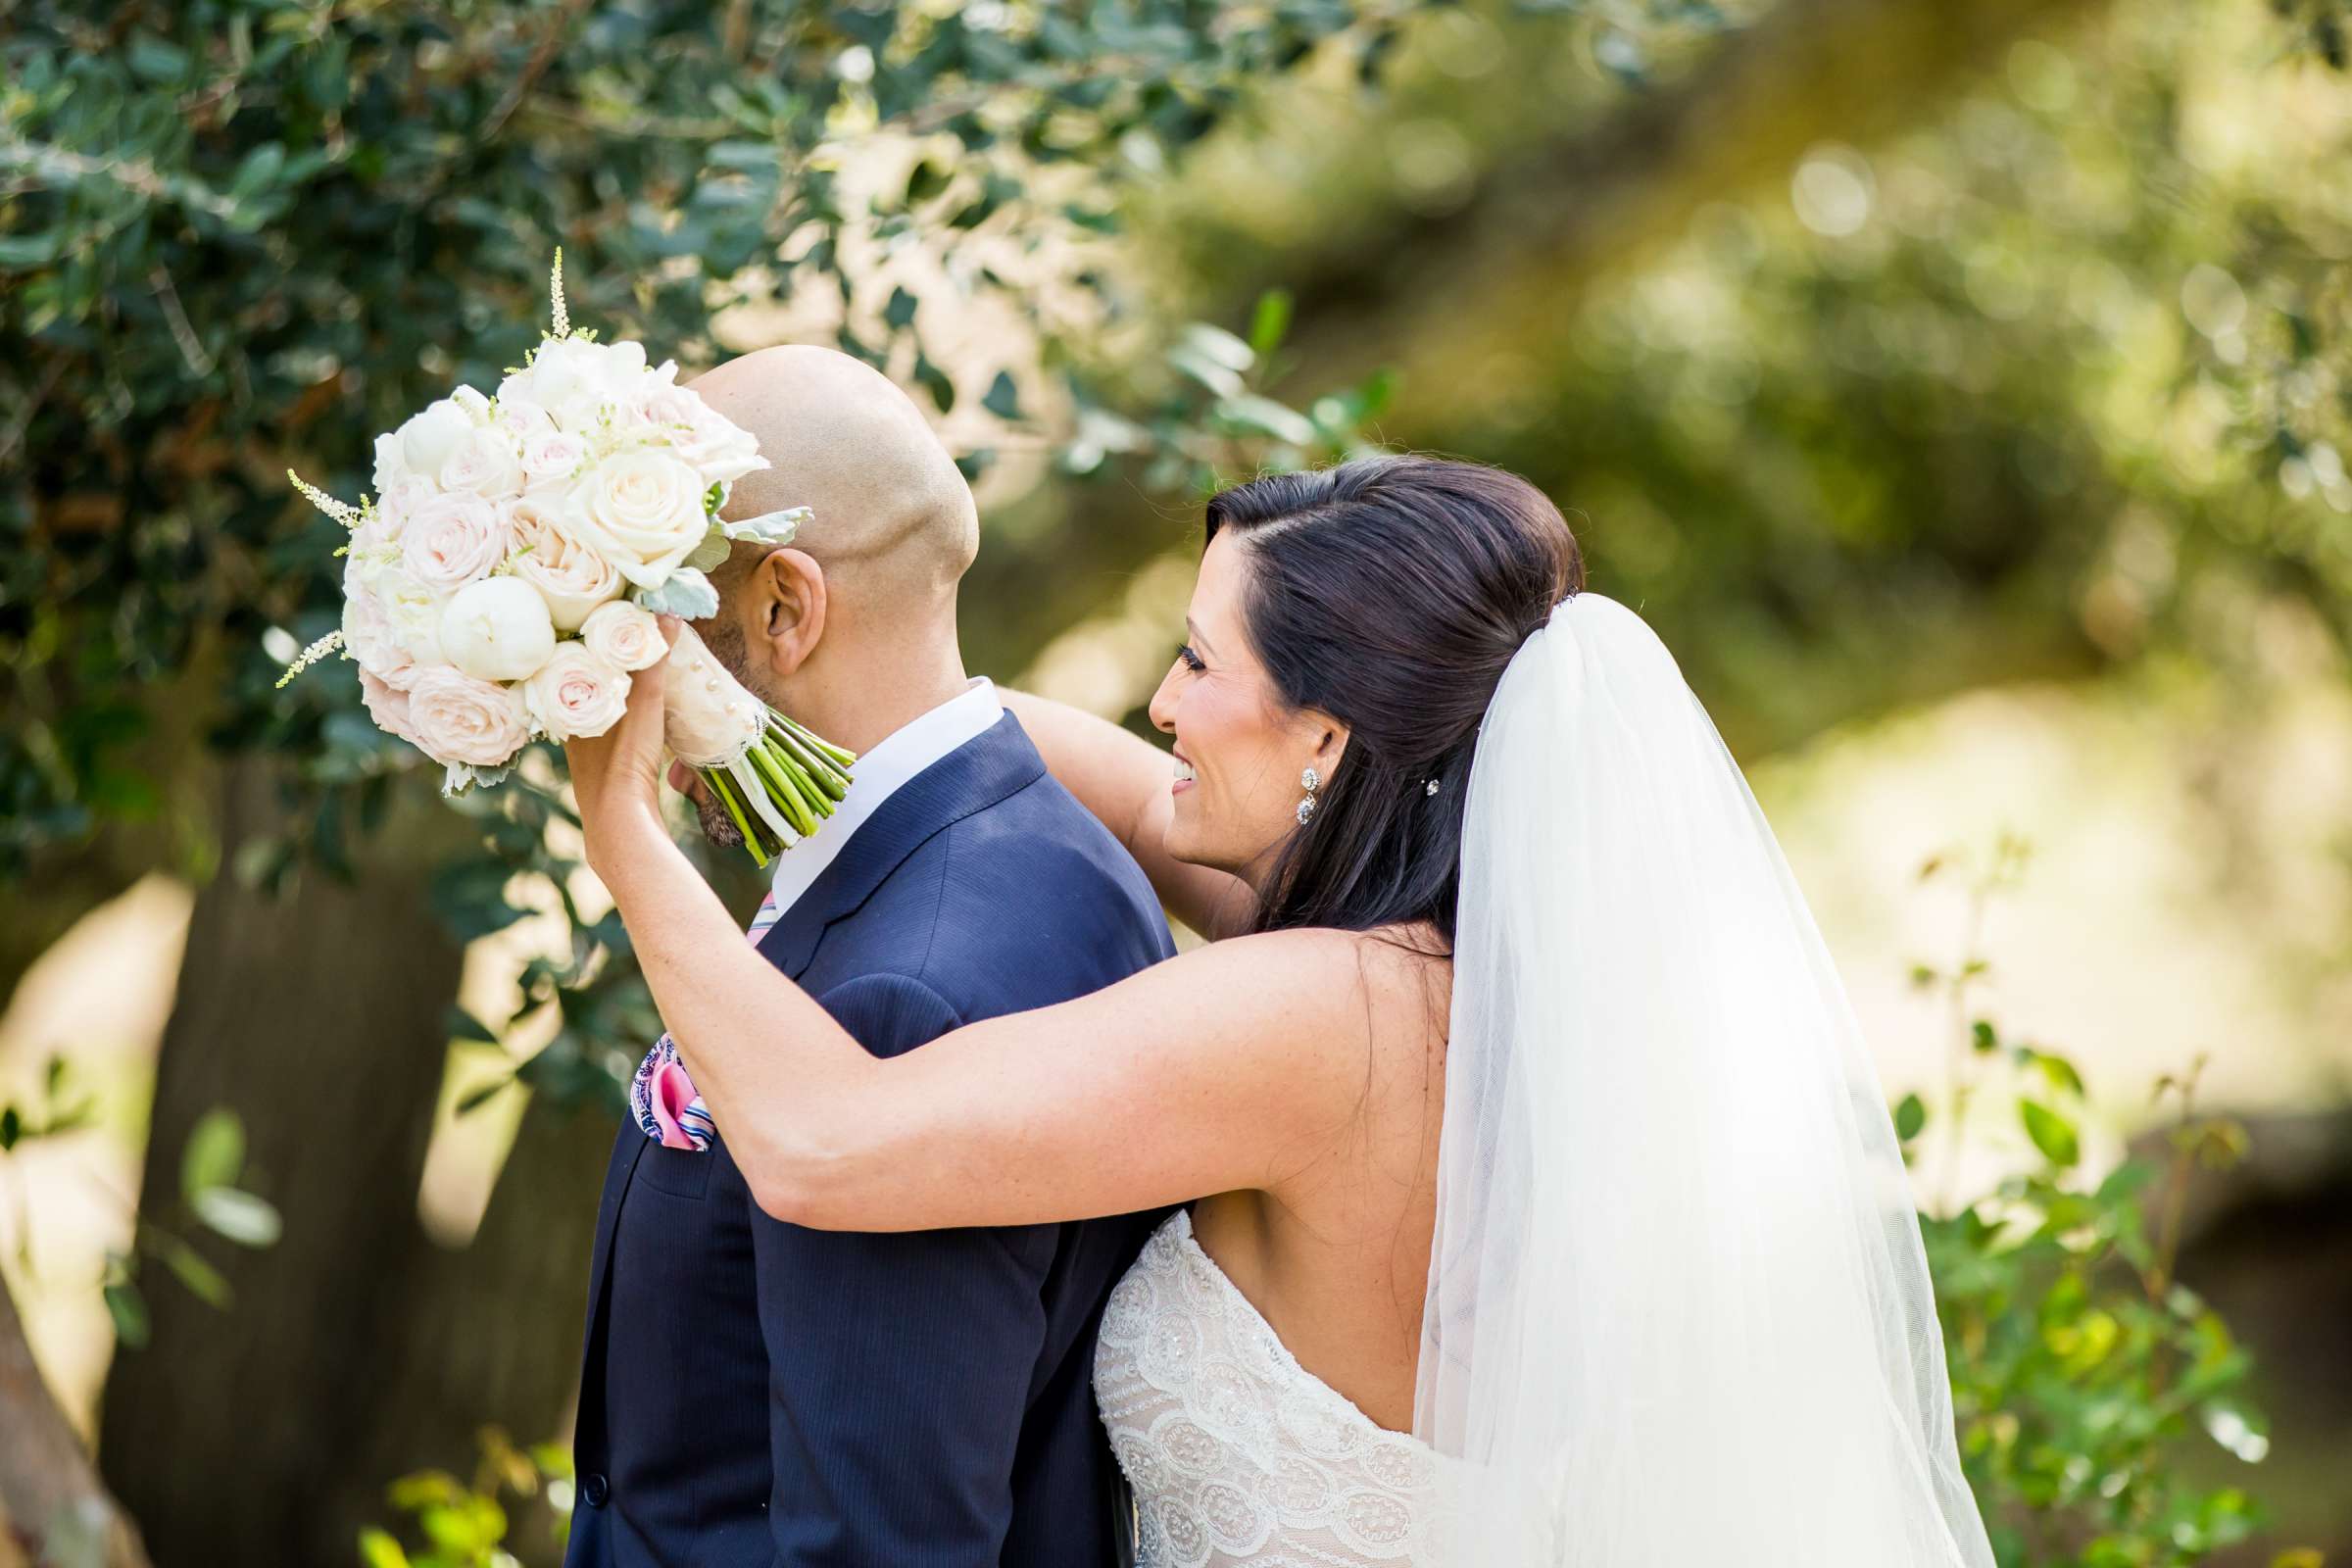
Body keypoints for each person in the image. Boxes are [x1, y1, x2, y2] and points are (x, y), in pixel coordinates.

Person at [568, 454, 1999, 1565]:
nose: (1160, 701)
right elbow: (1018, 747)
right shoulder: (1465, 975)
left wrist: (621, 819)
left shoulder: (1325, 1021)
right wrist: (772, 668)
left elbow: (830, 1142)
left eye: (1198, 660)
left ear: (1324, 736)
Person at [561, 345, 1175, 1568]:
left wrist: (621, 838)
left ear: (785, 607)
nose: (621, 661)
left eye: (655, 613)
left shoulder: (915, 991)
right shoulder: (1023, 837)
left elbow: (881, 1544)